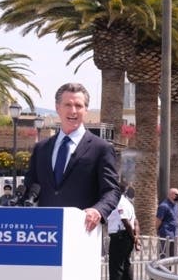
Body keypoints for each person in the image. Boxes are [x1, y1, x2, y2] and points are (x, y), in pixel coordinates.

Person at [23, 82, 120, 232]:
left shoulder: (101, 148)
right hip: (44, 232)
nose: (73, 111)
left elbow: (112, 191)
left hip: (82, 232)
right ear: (57, 108)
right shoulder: (41, 149)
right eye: (68, 105)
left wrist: (98, 210)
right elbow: (30, 188)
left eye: (78, 106)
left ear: (86, 110)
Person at [103, 183, 140, 280]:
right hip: (126, 237)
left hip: (120, 237)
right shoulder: (128, 203)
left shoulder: (119, 202)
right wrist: (136, 238)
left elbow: (126, 222)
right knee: (126, 266)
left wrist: (134, 238)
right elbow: (135, 222)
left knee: (116, 268)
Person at [156, 187, 178, 258]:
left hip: (174, 234)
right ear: (171, 195)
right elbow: (158, 220)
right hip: (166, 234)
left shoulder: (176, 205)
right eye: (176, 194)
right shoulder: (163, 206)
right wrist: (157, 229)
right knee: (164, 255)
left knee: (172, 256)